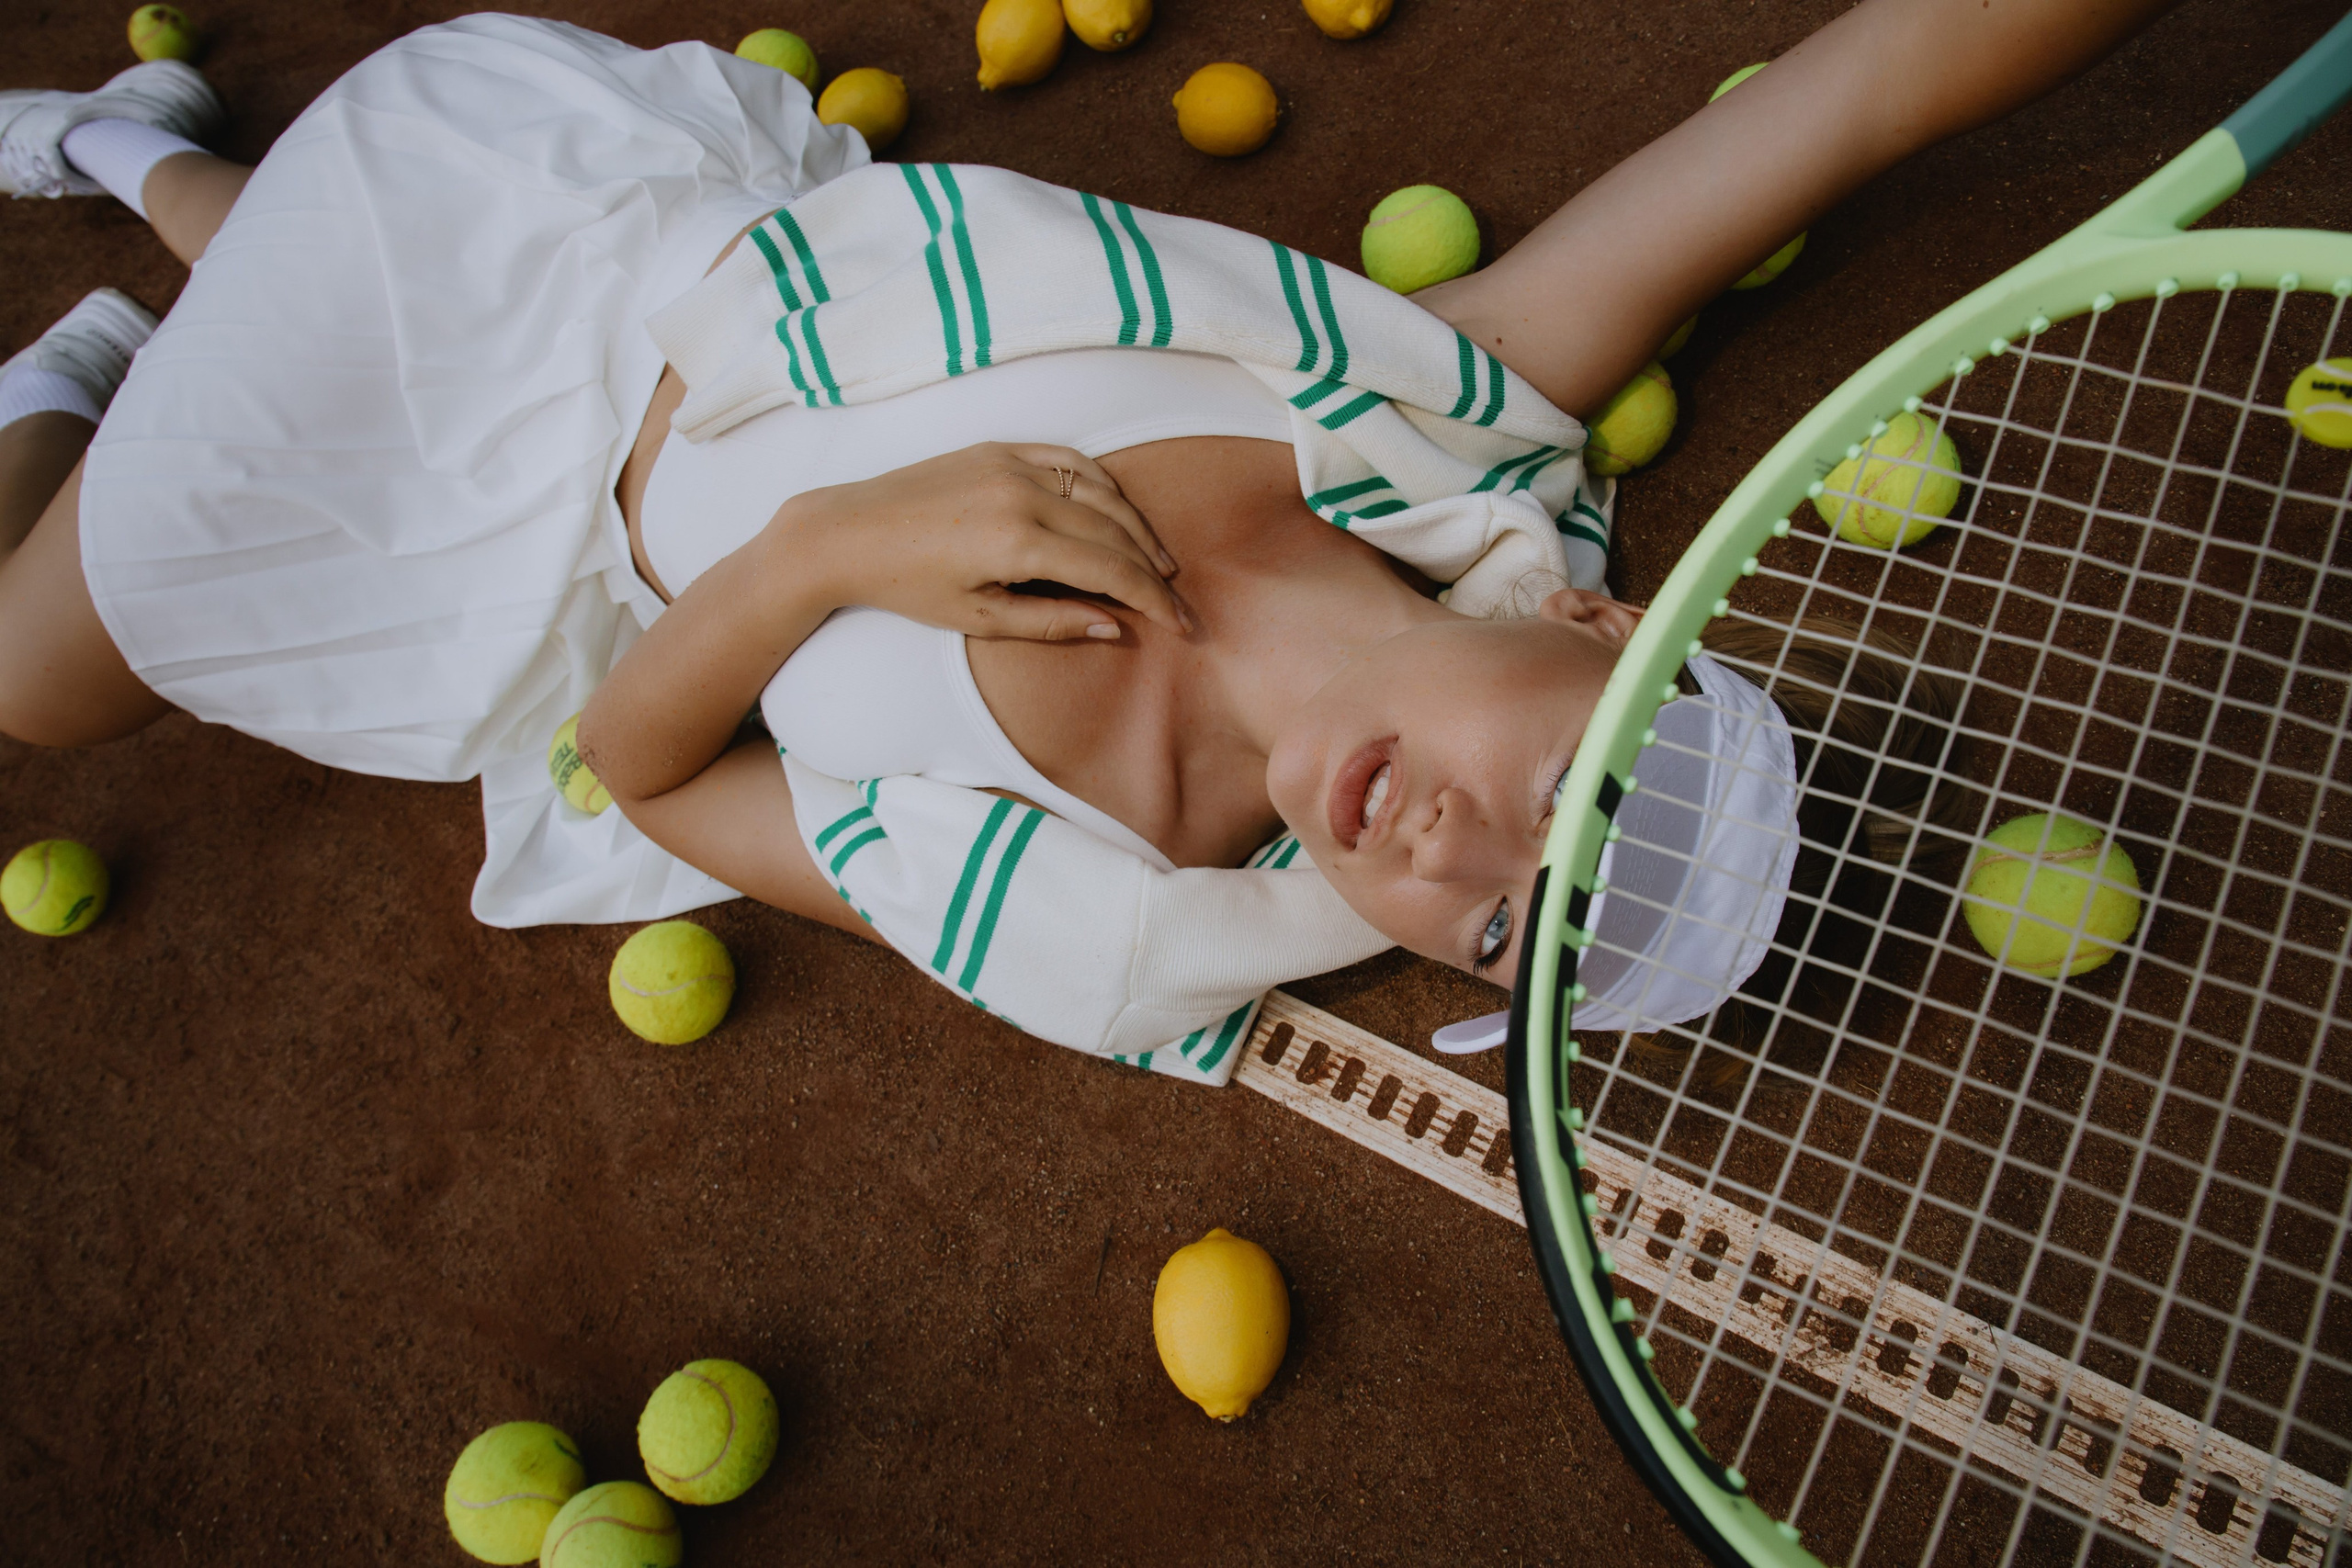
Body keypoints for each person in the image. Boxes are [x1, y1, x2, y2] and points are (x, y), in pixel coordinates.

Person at [0, 2, 2176, 1079]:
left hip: (494, 545)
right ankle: (141, 170)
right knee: (291, 274)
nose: (1454, 859)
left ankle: (93, 338)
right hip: (578, 217)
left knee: (21, 688)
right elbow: (1860, 89)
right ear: (1597, 618)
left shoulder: (1097, 910)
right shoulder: (1445, 399)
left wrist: (820, 553)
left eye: (1500, 934)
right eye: (1568, 795)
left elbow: (648, 776)